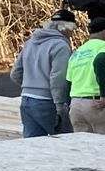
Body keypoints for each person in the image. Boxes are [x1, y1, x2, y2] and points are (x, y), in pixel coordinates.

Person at [9, 8, 76, 138]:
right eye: (72, 30)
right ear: (65, 28)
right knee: (65, 141)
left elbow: (15, 74)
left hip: (26, 101)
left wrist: (31, 85)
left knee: (33, 145)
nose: (72, 34)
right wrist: (61, 106)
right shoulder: (60, 46)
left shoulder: (30, 43)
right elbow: (58, 79)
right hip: (48, 103)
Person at [66, 16, 105, 135]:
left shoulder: (78, 52)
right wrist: (104, 94)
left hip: (76, 105)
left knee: (86, 147)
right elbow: (100, 61)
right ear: (104, 33)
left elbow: (69, 81)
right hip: (96, 103)